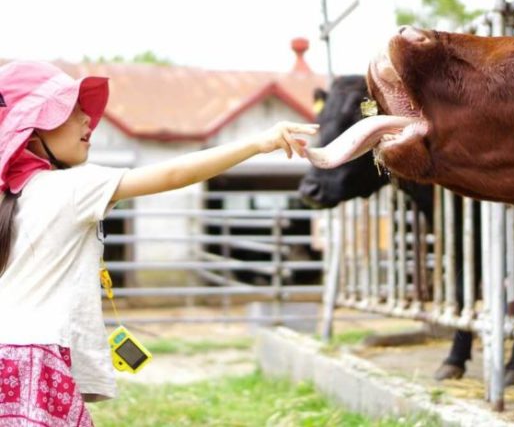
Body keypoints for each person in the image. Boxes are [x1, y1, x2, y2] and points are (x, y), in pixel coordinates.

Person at [0, 60, 318, 426]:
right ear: (32, 132)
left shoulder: (14, 197)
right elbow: (173, 173)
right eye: (71, 110)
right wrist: (258, 142)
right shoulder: (71, 188)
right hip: (35, 357)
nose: (88, 119)